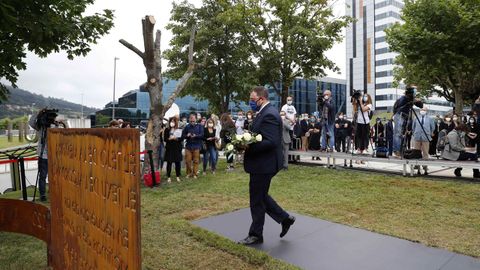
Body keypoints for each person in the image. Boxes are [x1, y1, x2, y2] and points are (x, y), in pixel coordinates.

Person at [238, 86, 295, 245]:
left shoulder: (269, 114)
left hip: (264, 164)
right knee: (261, 196)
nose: (250, 102)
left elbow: (271, 141)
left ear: (261, 99)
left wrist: (248, 146)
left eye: (252, 99)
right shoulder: (264, 112)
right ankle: (285, 218)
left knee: (256, 199)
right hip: (262, 163)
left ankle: (256, 234)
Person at [28, 108, 59, 201]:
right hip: (50, 156)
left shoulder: (41, 127)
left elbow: (31, 122)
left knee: (43, 176)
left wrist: (38, 113)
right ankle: (50, 193)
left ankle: (43, 195)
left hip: (45, 156)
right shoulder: (54, 127)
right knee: (50, 176)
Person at [392, 87, 423, 156]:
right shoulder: (404, 98)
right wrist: (415, 100)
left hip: (405, 117)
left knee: (402, 134)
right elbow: (401, 104)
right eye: (414, 92)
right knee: (397, 134)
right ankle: (396, 150)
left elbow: (421, 105)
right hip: (399, 116)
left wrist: (417, 101)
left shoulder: (410, 99)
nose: (415, 93)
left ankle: (401, 150)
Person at [412, 106, 435, 175]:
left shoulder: (430, 119)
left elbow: (432, 127)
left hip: (426, 137)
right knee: (416, 153)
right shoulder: (416, 118)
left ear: (426, 111)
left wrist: (429, 133)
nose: (422, 110)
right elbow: (413, 127)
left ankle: (425, 168)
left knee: (425, 153)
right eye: (421, 109)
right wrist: (415, 133)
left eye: (424, 110)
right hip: (417, 137)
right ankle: (417, 168)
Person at [181, 113, 204, 179]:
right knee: (188, 161)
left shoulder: (200, 126)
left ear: (196, 119)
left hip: (196, 146)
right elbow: (182, 136)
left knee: (196, 161)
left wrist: (195, 136)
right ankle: (189, 173)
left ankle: (195, 173)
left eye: (193, 121)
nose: (192, 122)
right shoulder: (187, 127)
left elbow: (202, 135)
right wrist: (187, 136)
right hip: (188, 146)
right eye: (191, 121)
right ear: (189, 120)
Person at [353, 92, 373, 160]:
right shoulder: (360, 104)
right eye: (363, 96)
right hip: (359, 122)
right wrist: (355, 101)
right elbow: (355, 109)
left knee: (365, 136)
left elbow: (364, 109)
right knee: (358, 136)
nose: (364, 97)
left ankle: (365, 148)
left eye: (366, 96)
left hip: (365, 123)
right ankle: (358, 148)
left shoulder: (370, 105)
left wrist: (361, 102)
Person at [164, 118, 183, 183]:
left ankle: (178, 176)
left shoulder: (179, 130)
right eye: (171, 121)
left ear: (176, 122)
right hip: (169, 148)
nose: (172, 123)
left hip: (177, 148)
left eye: (173, 121)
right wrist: (169, 138)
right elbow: (165, 139)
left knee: (178, 163)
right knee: (169, 163)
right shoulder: (167, 129)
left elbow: (181, 138)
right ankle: (168, 177)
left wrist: (176, 138)